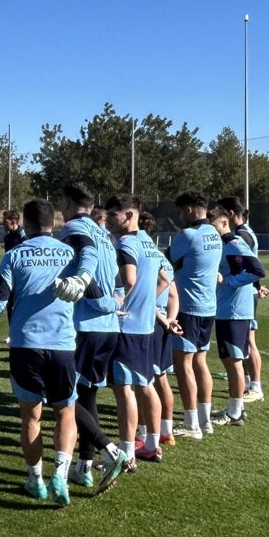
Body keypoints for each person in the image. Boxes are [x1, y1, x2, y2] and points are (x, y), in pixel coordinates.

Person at [0, 199, 128, 506]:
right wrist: (116, 307)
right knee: (65, 412)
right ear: (56, 221)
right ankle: (61, 475)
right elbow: (93, 293)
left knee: (31, 418)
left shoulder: (14, 255)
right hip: (63, 346)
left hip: (25, 347)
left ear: (26, 222)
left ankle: (35, 480)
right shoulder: (71, 254)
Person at [55, 182, 122, 481]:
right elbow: (119, 276)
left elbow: (87, 260)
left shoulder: (72, 228)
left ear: (69, 203)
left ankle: (110, 451)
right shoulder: (104, 233)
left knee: (65, 397)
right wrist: (116, 299)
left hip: (86, 325)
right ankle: (84, 468)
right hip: (109, 329)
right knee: (88, 396)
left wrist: (102, 301)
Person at [104, 194, 166, 465]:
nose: (108, 219)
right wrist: (147, 302)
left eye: (113, 214)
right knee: (146, 385)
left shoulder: (127, 242)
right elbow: (166, 278)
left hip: (126, 326)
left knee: (124, 390)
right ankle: (152, 445)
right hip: (145, 326)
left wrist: (118, 301)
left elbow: (128, 279)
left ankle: (127, 451)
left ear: (129, 215)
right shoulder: (149, 244)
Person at [167, 191, 222, 439]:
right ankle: (205, 420)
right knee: (200, 362)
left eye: (180, 212)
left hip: (188, 307)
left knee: (183, 365)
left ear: (188, 210)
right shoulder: (214, 233)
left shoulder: (189, 235)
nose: (179, 217)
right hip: (209, 306)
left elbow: (165, 260)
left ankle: (191, 425)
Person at [208, 204, 266, 426]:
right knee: (232, 360)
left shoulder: (233, 244)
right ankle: (237, 408)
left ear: (224, 222)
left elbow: (257, 270)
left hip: (233, 312)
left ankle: (234, 413)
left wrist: (230, 281)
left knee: (233, 361)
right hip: (227, 310)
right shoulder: (225, 245)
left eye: (214, 227)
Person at [218, 197, 269, 402]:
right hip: (245, 293)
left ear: (229, 214)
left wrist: (238, 282)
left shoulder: (240, 236)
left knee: (249, 342)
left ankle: (255, 386)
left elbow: (250, 267)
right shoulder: (245, 233)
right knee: (245, 344)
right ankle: (248, 383)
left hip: (241, 298)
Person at [139, 210, 182, 446]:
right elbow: (173, 294)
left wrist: (163, 320)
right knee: (162, 379)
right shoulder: (161, 257)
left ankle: (144, 433)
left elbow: (143, 297)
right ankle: (167, 431)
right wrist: (171, 320)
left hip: (149, 324)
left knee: (143, 383)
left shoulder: (140, 256)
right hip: (164, 324)